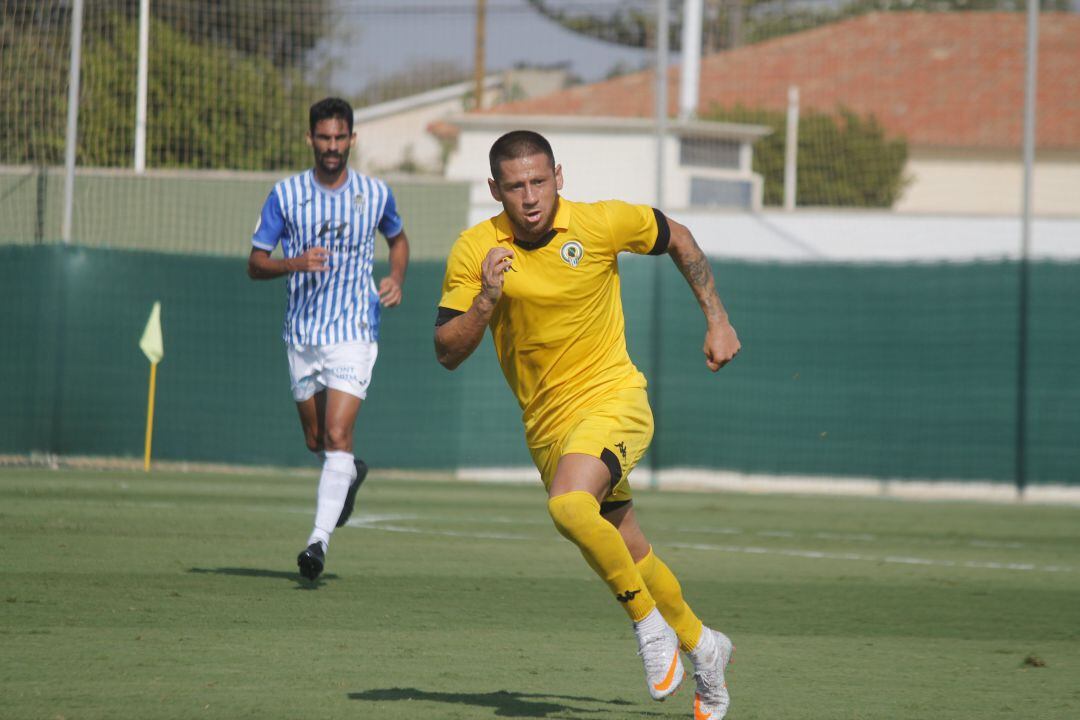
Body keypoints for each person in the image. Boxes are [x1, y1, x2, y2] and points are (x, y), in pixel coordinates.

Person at [434, 131, 740, 719]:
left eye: (539, 182)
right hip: (548, 428)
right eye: (516, 186)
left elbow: (678, 235)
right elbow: (447, 352)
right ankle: (705, 647)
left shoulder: (600, 225)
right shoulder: (476, 250)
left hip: (615, 400)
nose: (530, 197)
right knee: (631, 547)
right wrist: (484, 301)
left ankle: (650, 629)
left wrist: (717, 319)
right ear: (495, 189)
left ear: (559, 177)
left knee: (569, 506)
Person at [248, 97, 409, 582]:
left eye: (341, 138)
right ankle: (350, 473)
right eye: (324, 138)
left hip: (354, 330)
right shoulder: (287, 194)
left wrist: (396, 276)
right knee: (316, 440)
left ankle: (317, 544)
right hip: (303, 333)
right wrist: (293, 262)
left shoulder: (375, 193)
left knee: (338, 435)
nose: (333, 147)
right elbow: (256, 263)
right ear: (310, 139)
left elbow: (397, 239)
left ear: (352, 139)